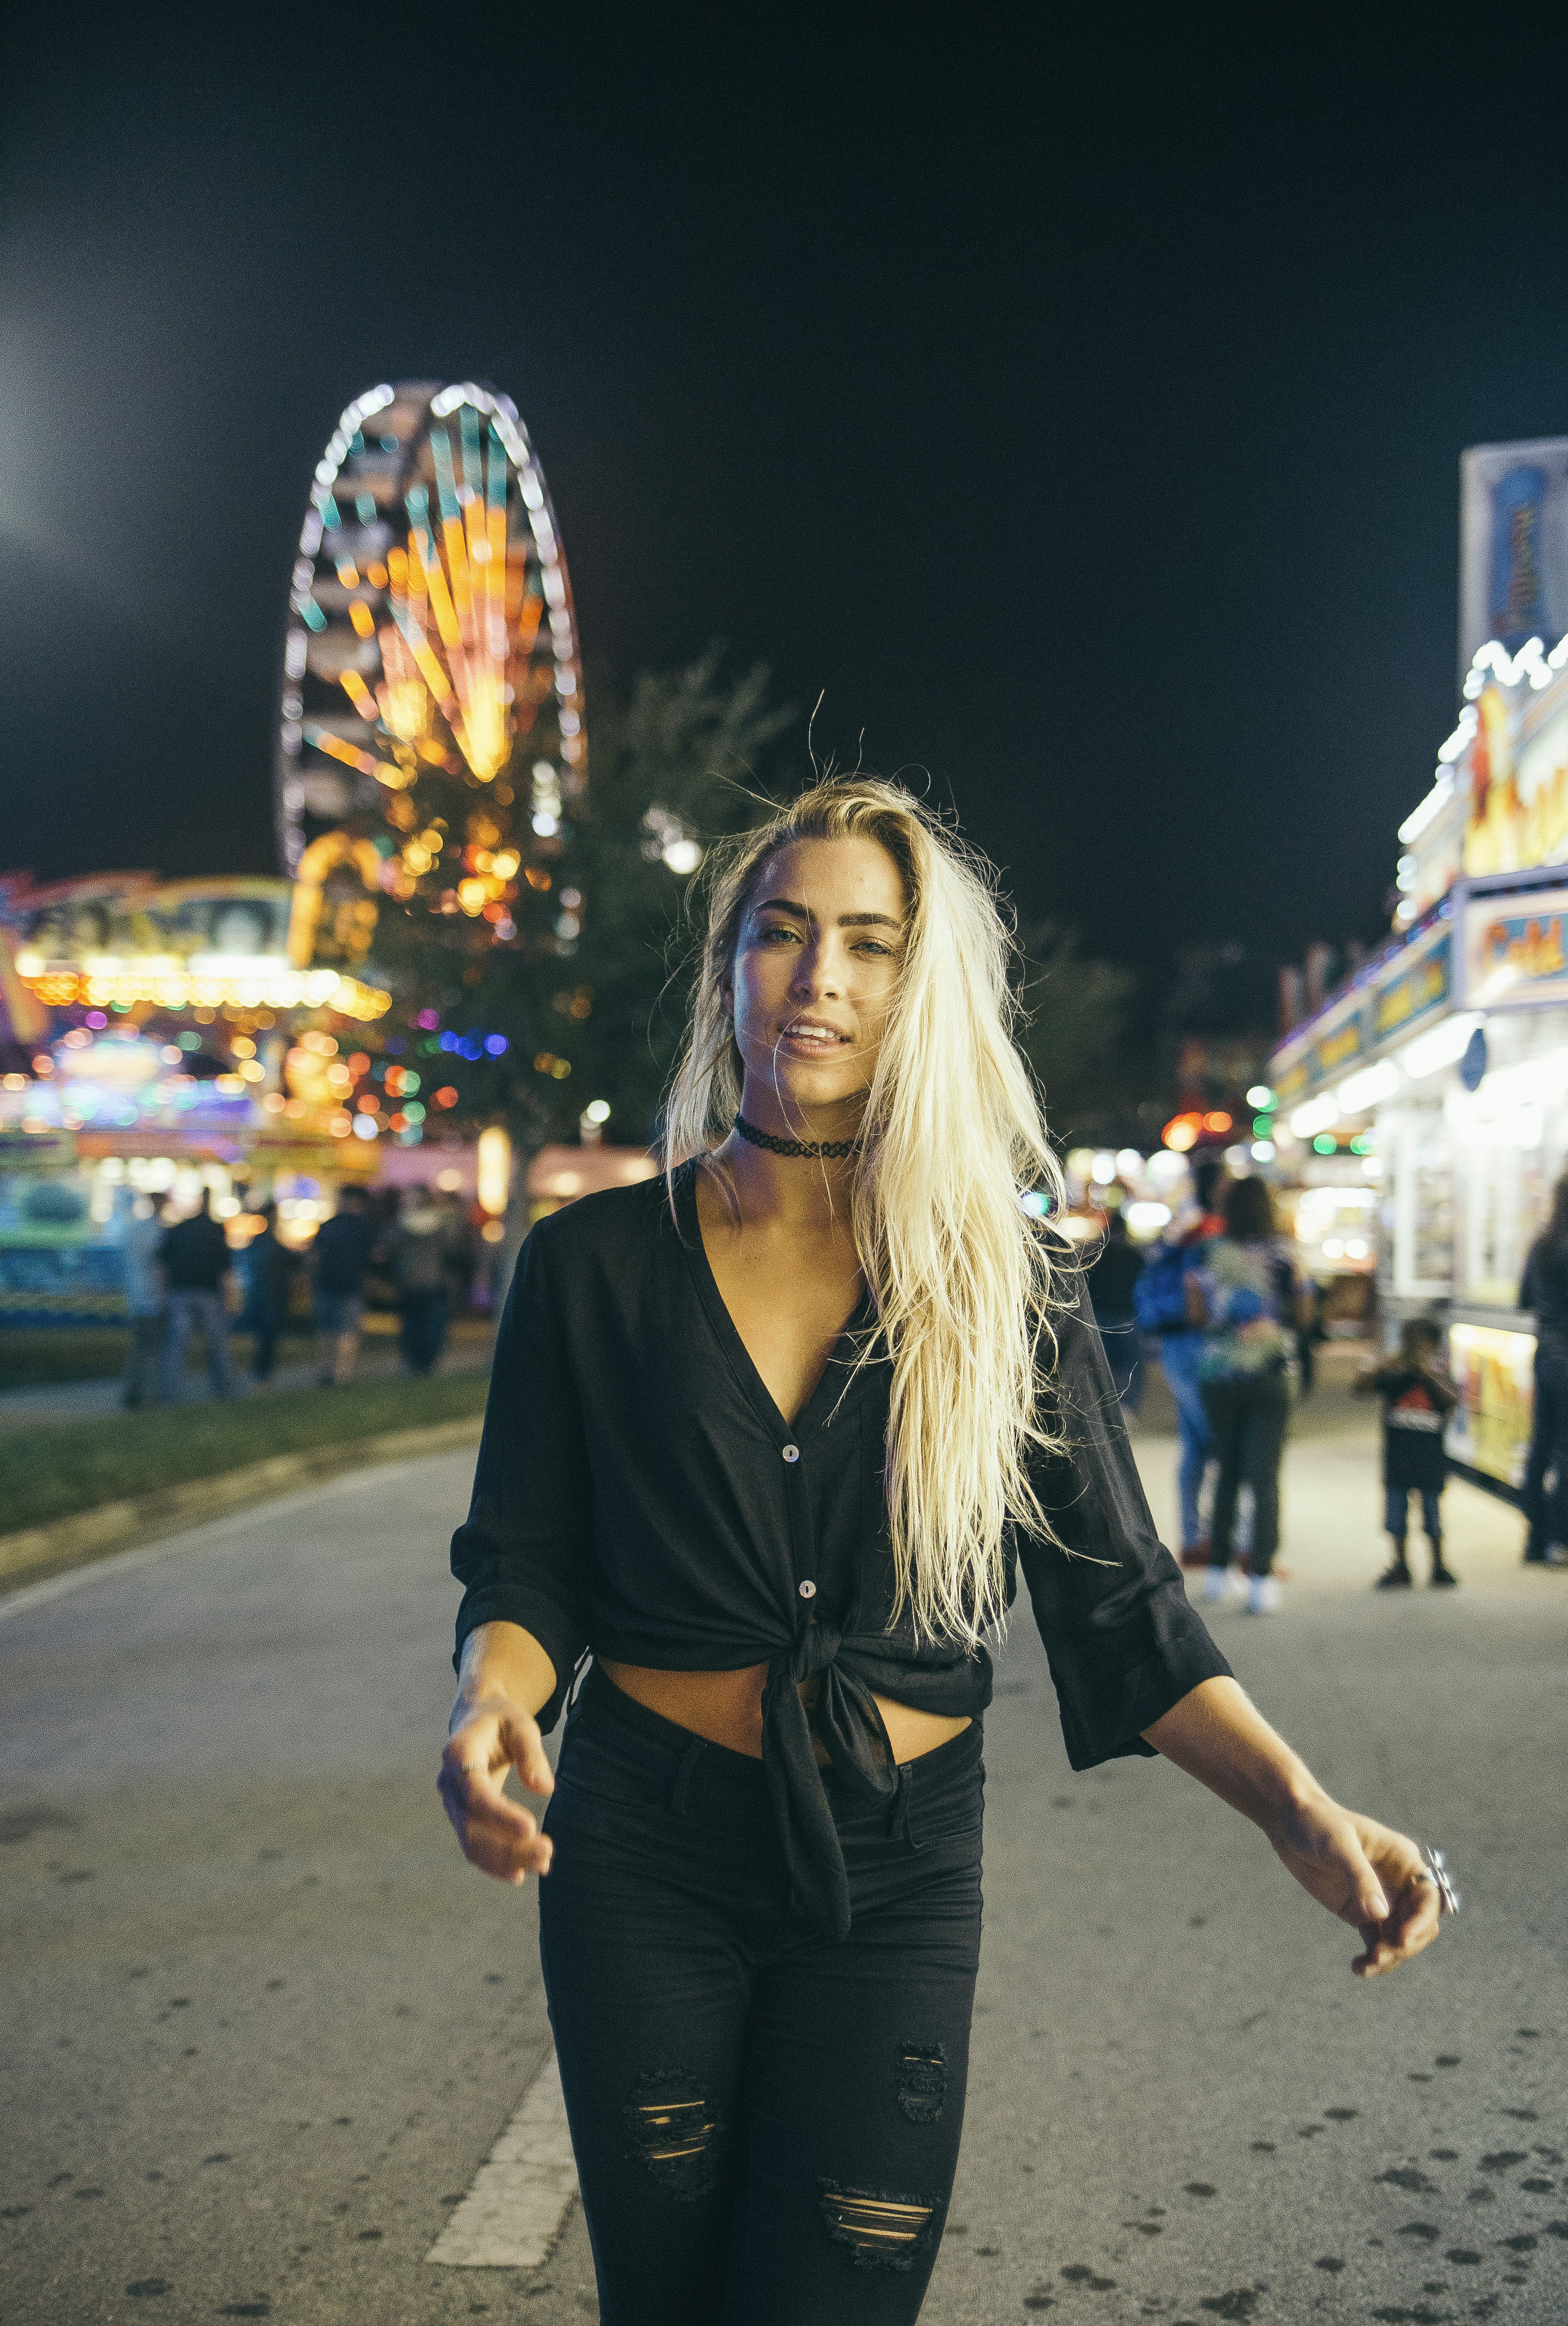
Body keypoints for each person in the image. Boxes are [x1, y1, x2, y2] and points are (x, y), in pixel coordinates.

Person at [438, 780, 1443, 2326]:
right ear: (727, 969)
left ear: (924, 986)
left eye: (867, 942)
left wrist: (1297, 1812)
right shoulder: (590, 1266)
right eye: (780, 933)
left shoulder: (999, 1281)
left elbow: (1120, 1599)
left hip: (897, 1869)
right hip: (642, 1852)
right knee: (666, 2299)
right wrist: (487, 1701)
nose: (819, 976)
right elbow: (526, 1562)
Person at [1186, 1174, 1307, 1614]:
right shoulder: (1287, 1254)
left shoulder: (1207, 1254)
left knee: (1228, 1469)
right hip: (1272, 1372)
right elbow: (1306, 1313)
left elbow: (1196, 1314)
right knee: (1266, 1476)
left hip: (1218, 1374)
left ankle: (1219, 1572)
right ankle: (1262, 1578)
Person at [1133, 1162, 1223, 1560]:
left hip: (1175, 1346)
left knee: (1195, 1444)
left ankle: (1193, 1537)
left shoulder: (1184, 1235)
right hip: (1202, 1344)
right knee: (1217, 1439)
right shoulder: (1213, 1237)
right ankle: (1222, 1538)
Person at [1353, 1319, 1458, 1590]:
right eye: (1410, 1343)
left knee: (1432, 1516)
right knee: (1396, 1516)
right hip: (1399, 1459)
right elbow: (1360, 1388)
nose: (1415, 1349)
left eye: (1422, 1344)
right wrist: (1383, 1366)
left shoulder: (1439, 1377)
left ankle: (1438, 1565)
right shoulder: (1394, 1376)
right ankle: (1401, 1565)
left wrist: (1430, 1376)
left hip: (1429, 1460)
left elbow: (1453, 1402)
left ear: (1434, 1347)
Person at [1518, 1174, 1568, 1565]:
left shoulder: (1542, 1246)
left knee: (1540, 1449)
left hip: (1545, 1355)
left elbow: (1523, 1299)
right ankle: (1559, 1538)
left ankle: (1534, 1538)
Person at [158, 1188, 234, 1401]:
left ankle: (170, 1393)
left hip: (179, 1292)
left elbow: (163, 1264)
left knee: (177, 1343)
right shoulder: (216, 1230)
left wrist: (162, 1295)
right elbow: (225, 1269)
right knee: (217, 1341)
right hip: (209, 1293)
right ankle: (224, 1387)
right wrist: (230, 1299)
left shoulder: (179, 1229)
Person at [311, 1183, 376, 1385]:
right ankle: (341, 1374)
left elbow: (313, 1258)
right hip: (352, 1285)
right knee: (348, 1331)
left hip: (326, 1284)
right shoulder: (365, 1227)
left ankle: (324, 1371)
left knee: (326, 1330)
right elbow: (376, 1256)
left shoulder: (327, 1226)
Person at [1085, 1206, 1146, 1413]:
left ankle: (1105, 1407)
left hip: (1102, 1319)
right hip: (1124, 1318)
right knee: (1130, 1365)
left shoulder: (1096, 1256)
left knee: (1104, 1365)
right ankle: (1127, 1406)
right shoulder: (1133, 1257)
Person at [392, 1185, 452, 1375]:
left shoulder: (403, 1223)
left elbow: (391, 1245)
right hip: (432, 1281)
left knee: (414, 1324)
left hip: (413, 1281)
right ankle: (426, 1362)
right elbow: (454, 1249)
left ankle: (416, 1361)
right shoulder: (443, 1223)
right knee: (430, 1325)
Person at [119, 1188, 169, 1408]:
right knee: (149, 1349)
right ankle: (142, 1396)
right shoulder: (155, 1231)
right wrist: (161, 1297)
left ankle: (133, 1394)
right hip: (151, 1298)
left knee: (141, 1347)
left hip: (137, 1297)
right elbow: (157, 1266)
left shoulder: (136, 1229)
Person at [239, 1205, 299, 1387]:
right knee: (267, 1337)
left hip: (265, 1296)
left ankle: (262, 1374)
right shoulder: (268, 1244)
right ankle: (262, 1376)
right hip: (270, 1297)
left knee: (267, 1337)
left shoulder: (260, 1243)